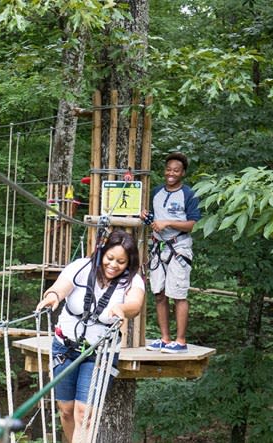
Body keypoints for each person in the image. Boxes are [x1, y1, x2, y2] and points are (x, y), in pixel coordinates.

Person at [35, 230, 145, 442]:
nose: (113, 265)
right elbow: (60, 288)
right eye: (110, 258)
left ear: (129, 263)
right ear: (101, 253)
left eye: (121, 262)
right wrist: (52, 297)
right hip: (64, 348)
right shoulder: (81, 268)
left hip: (100, 354)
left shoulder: (133, 280)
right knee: (66, 410)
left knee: (84, 413)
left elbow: (135, 304)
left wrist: (122, 309)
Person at [141, 152, 201, 354]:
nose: (171, 173)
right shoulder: (157, 192)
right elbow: (155, 218)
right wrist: (148, 217)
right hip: (158, 247)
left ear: (183, 173)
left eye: (176, 170)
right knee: (159, 293)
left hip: (179, 247)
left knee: (178, 294)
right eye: (168, 169)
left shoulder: (189, 194)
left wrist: (168, 222)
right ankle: (165, 339)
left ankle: (181, 340)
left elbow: (192, 224)